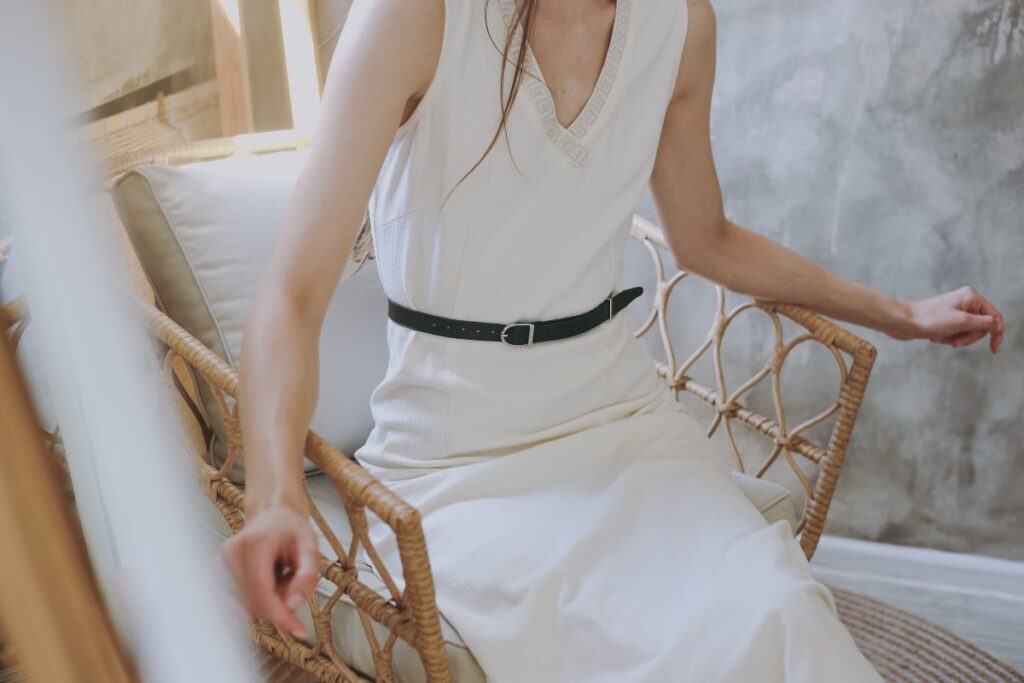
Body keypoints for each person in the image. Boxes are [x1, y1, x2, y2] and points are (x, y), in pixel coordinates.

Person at [221, 0, 1006, 680]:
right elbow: (291, 294)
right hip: (459, 463)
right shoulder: (420, 16)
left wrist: (899, 312)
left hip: (622, 425)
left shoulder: (680, 24)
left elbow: (708, 238)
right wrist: (274, 495)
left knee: (782, 614)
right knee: (600, 648)